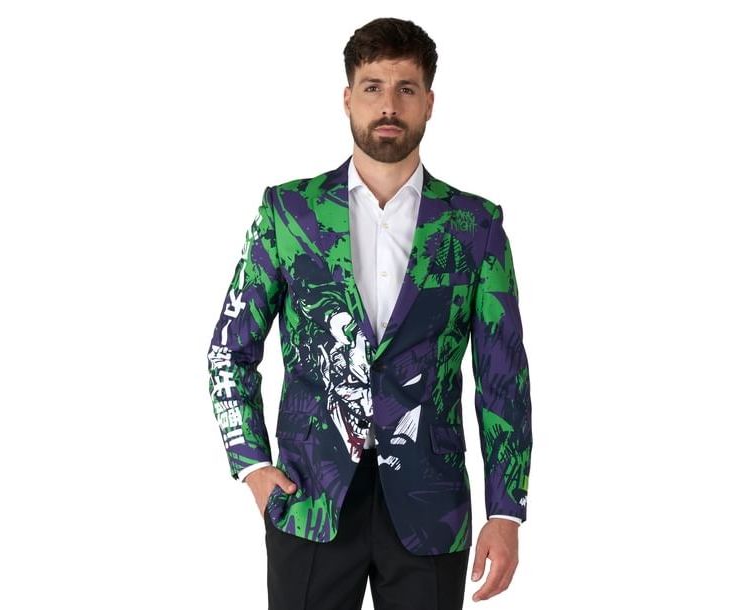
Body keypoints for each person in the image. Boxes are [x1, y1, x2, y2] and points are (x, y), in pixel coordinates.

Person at [206, 17, 533, 609]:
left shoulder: (475, 226)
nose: (389, 105)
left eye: (406, 88)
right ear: (347, 98)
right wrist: (251, 464)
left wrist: (506, 510)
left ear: (429, 102)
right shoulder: (289, 213)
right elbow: (230, 348)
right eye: (373, 87)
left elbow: (503, 376)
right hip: (309, 497)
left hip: (431, 506)